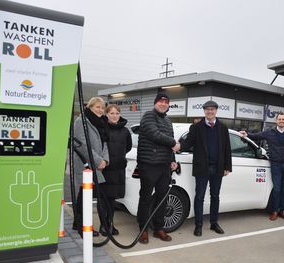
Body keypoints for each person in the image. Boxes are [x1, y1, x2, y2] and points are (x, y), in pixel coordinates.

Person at [180, 100, 232, 237]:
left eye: (212, 109)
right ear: (204, 111)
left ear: (216, 111)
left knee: (215, 196)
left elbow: (227, 148)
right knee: (200, 197)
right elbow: (187, 143)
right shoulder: (196, 128)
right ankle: (198, 225)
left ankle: (214, 223)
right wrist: (176, 146)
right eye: (207, 109)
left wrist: (227, 166)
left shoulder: (223, 127)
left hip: (217, 168)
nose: (210, 112)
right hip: (202, 168)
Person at [136, 92, 179, 244]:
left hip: (164, 165)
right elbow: (155, 134)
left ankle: (158, 228)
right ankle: (143, 229)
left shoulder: (168, 120)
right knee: (146, 198)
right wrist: (174, 142)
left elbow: (169, 146)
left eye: (166, 102)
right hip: (148, 164)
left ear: (168, 105)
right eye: (160, 102)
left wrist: (173, 160)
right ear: (155, 103)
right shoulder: (148, 116)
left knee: (162, 198)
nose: (163, 104)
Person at [239, 112, 284, 221]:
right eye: (279, 119)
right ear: (276, 121)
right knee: (277, 189)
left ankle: (283, 211)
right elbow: (257, 136)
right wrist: (246, 134)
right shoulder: (270, 132)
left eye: (283, 119)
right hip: (275, 165)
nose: (281, 121)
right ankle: (275, 211)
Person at [73, 96, 109, 237]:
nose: (100, 110)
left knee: (87, 195)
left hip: (97, 163)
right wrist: (98, 161)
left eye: (102, 107)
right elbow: (81, 144)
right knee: (84, 195)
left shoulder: (101, 122)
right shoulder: (81, 121)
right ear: (90, 107)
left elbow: (105, 142)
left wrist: (105, 159)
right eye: (97, 107)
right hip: (85, 163)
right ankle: (82, 225)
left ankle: (78, 222)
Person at [99, 104, 132, 236]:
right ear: (106, 114)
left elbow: (128, 147)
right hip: (105, 169)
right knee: (103, 199)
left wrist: (119, 157)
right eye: (111, 113)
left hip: (118, 169)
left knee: (112, 200)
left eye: (117, 113)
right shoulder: (101, 128)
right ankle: (103, 225)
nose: (114, 116)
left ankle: (110, 223)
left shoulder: (125, 131)